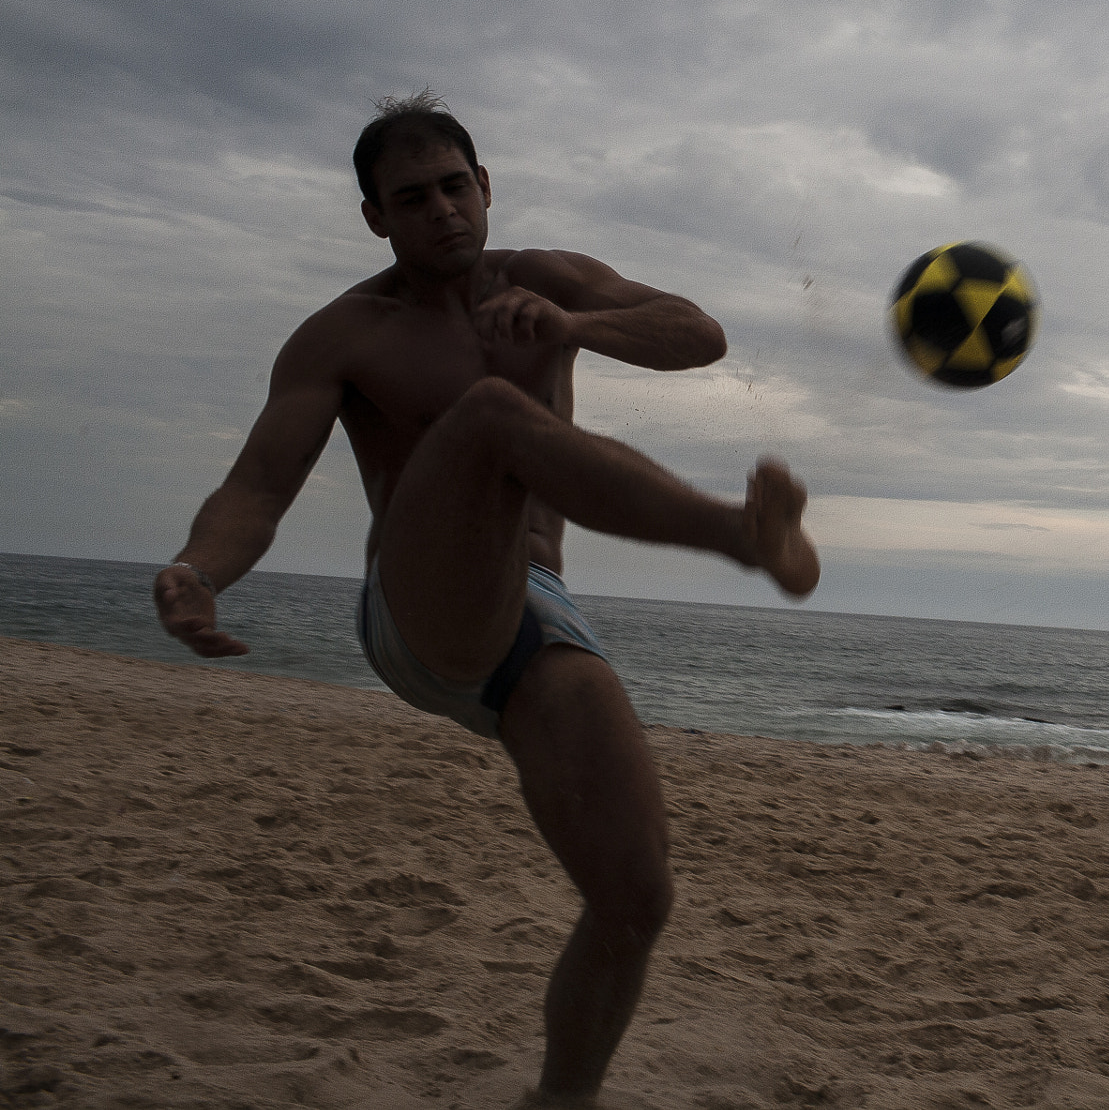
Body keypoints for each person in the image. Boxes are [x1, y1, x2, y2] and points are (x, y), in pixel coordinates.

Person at [152, 91, 820, 1106]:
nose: (441, 212)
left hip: (535, 611)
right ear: (375, 217)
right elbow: (258, 485)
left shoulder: (542, 282)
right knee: (492, 414)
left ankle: (560, 1099)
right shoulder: (343, 335)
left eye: (456, 187)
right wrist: (199, 572)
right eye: (410, 198)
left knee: (634, 895)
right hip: (421, 609)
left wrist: (574, 323)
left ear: (487, 187)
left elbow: (698, 332)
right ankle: (738, 537)